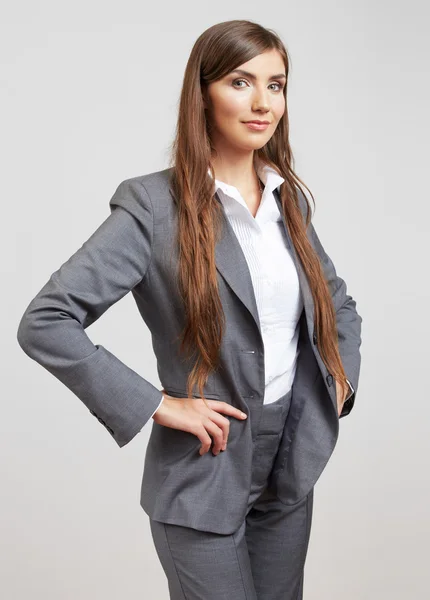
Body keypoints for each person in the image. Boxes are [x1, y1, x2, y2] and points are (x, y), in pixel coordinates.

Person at [16, 19, 362, 600]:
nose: (262, 103)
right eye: (240, 82)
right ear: (202, 92)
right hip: (206, 470)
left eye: (275, 86)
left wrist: (338, 385)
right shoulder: (153, 206)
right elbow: (46, 320)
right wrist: (157, 404)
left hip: (290, 462)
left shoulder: (288, 200)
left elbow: (339, 306)